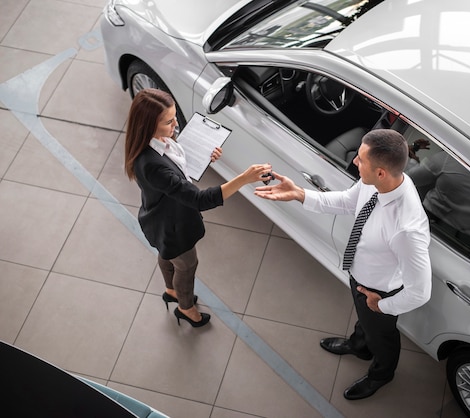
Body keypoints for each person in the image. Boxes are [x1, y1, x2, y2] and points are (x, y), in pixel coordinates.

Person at [255, 129, 431, 400]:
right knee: (366, 323)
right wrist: (300, 194)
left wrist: (381, 305)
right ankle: (360, 346)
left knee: (381, 335)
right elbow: (348, 202)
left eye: (361, 160)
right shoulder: (377, 184)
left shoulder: (406, 228)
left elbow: (420, 291)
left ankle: (381, 374)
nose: (355, 163)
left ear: (381, 172)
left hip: (380, 291)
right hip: (360, 277)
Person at [124, 88, 272, 328]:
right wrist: (244, 178)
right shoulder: (152, 165)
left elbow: (175, 171)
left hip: (160, 220)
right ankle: (185, 307)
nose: (175, 125)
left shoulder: (151, 144)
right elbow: (200, 200)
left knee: (167, 254)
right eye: (168, 122)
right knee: (187, 264)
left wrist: (201, 155)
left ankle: (171, 290)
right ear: (149, 124)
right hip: (173, 226)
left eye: (174, 118)